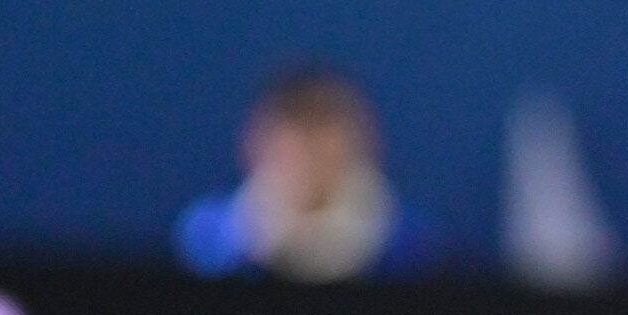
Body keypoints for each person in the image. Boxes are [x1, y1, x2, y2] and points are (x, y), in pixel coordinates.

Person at [173, 66, 440, 282]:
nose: (309, 146)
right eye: (294, 124)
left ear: (366, 139)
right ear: (252, 141)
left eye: (326, 123)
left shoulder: (411, 246)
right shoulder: (209, 241)